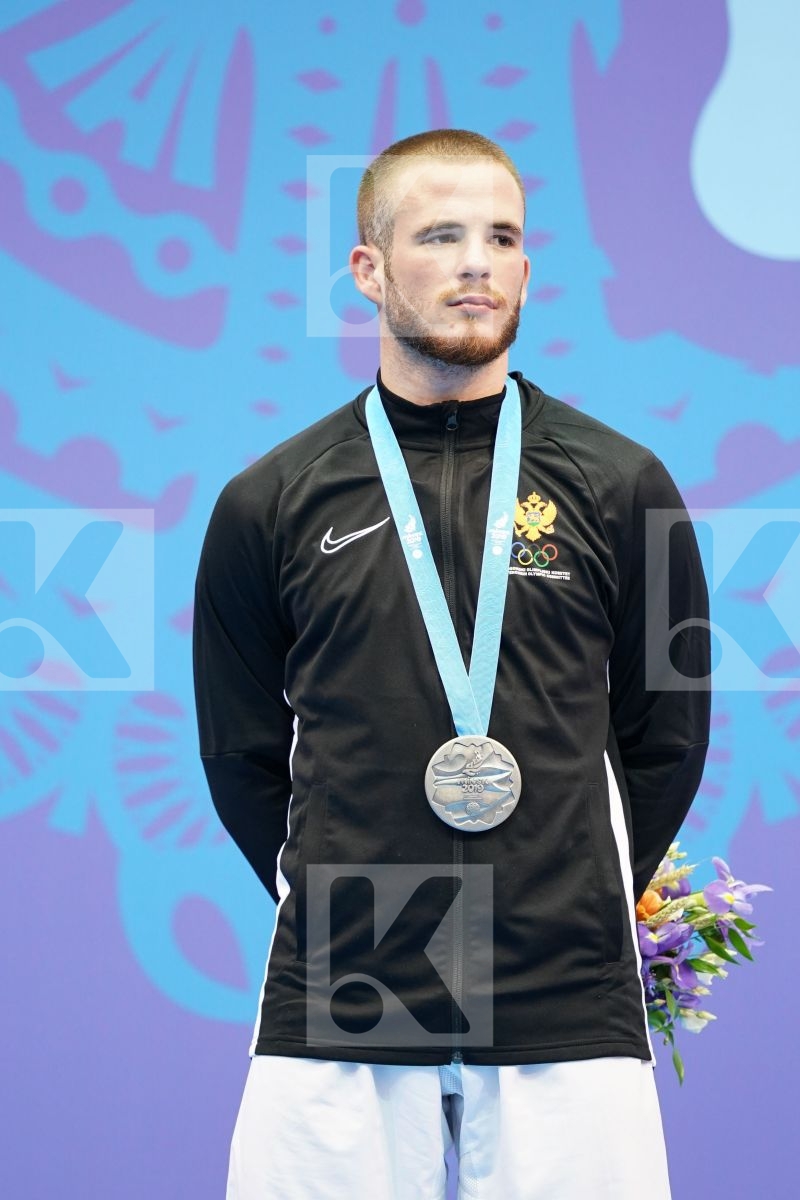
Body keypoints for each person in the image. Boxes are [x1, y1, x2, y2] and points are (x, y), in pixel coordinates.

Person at [192, 128, 711, 1199]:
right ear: (369, 268)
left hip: (562, 971)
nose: (476, 260)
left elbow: (665, 737)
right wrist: (352, 892)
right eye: (439, 234)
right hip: (350, 969)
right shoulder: (269, 501)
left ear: (527, 267)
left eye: (501, 236)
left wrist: (557, 879)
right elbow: (241, 754)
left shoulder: (623, 485)